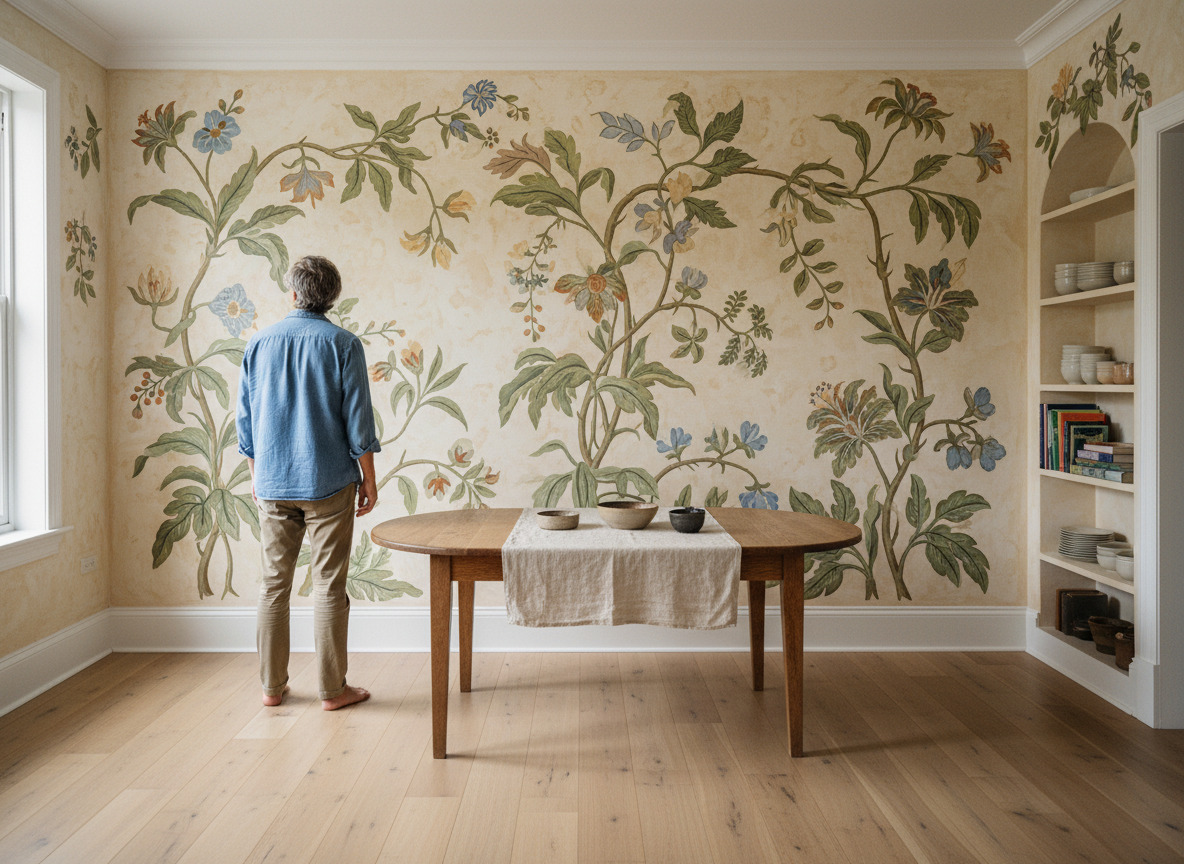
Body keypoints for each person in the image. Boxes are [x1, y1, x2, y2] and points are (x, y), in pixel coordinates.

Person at [236, 255, 380, 710]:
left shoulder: (258, 343)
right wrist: (368, 480)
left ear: (293, 294)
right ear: (331, 298)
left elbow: (246, 420)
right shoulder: (344, 344)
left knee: (272, 585)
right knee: (328, 586)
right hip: (329, 482)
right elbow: (359, 423)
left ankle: (271, 689)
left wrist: (256, 478)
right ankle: (333, 691)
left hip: (274, 480)